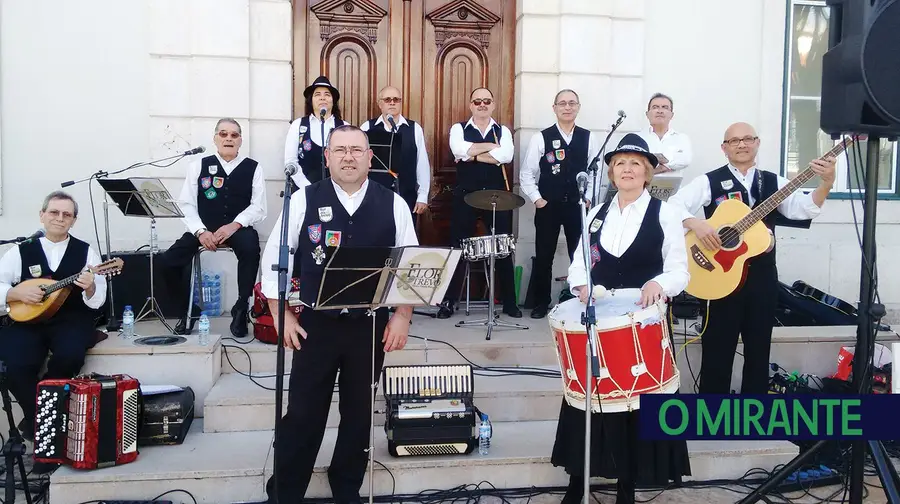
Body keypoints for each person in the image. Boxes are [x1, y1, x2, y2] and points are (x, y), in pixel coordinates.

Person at [258, 125, 417, 504]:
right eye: (340, 150)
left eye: (357, 150)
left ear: (369, 157)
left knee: (358, 415)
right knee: (303, 413)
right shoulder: (302, 199)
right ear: (326, 157)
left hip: (369, 326)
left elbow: (410, 264)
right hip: (315, 325)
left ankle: (346, 487)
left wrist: (402, 316)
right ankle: (285, 491)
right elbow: (273, 263)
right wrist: (282, 316)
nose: (349, 156)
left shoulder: (393, 202)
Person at [553, 133, 691, 504]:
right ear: (611, 173)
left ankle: (626, 486)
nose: (626, 169)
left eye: (634, 163)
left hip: (641, 320)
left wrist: (657, 282)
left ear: (647, 172)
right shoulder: (596, 214)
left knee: (635, 403)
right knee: (588, 398)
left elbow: (680, 270)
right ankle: (577, 479)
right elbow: (580, 265)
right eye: (619, 164)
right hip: (598, 317)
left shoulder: (666, 212)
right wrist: (581, 286)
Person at [666, 122, 835, 394]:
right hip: (718, 276)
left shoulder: (773, 182)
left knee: (759, 349)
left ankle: (753, 416)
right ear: (724, 148)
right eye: (734, 141)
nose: (741, 144)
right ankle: (713, 414)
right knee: (717, 349)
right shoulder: (709, 181)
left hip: (762, 276)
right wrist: (697, 225)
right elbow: (673, 205)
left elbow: (803, 208)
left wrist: (826, 183)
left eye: (747, 139)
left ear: (757, 143)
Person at [0, 191, 107, 473]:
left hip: (70, 318)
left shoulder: (86, 252)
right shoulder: (20, 251)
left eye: (67, 214)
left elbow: (98, 300)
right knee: (14, 365)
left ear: (74, 220)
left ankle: (42, 424)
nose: (60, 218)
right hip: (27, 319)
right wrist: (14, 292)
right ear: (42, 215)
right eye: (54, 213)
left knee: (70, 356)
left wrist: (91, 286)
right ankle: (44, 428)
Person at [160, 118, 266, 337]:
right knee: (167, 262)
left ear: (240, 140)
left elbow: (258, 207)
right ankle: (189, 310)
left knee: (251, 248)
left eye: (234, 135)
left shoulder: (253, 168)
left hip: (237, 228)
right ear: (215, 138)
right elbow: (186, 204)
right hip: (203, 228)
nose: (229, 138)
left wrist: (234, 225)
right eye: (224, 134)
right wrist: (200, 231)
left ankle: (240, 307)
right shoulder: (197, 166)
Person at [437, 87, 521, 319]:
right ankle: (449, 301)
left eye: (486, 101)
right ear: (471, 105)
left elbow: (506, 156)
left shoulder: (501, 130)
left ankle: (510, 303)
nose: (482, 105)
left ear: (493, 105)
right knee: (457, 248)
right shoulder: (458, 128)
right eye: (477, 101)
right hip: (465, 196)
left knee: (503, 247)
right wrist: (490, 149)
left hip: (497, 197)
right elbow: (458, 149)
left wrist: (471, 154)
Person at [520, 89, 600, 319]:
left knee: (581, 256)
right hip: (549, 206)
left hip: (577, 207)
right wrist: (538, 199)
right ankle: (541, 302)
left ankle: (580, 301)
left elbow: (595, 173)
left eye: (572, 103)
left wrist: (588, 199)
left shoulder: (588, 137)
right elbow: (527, 173)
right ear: (554, 108)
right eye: (562, 103)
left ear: (578, 107)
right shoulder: (541, 137)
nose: (567, 107)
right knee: (544, 255)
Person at [360, 85, 431, 224]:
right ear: (380, 104)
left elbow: (421, 163)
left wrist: (422, 195)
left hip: (406, 195)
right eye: (387, 99)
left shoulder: (414, 128)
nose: (392, 102)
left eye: (396, 99)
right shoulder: (367, 127)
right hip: (374, 195)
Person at [284, 75, 346, 189]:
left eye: (327, 94)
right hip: (304, 191)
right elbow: (290, 161)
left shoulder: (345, 127)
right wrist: (308, 188)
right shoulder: (298, 125)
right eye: (317, 94)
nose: (322, 98)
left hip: (337, 191)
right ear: (311, 100)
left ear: (333, 100)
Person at [637, 93, 692, 180]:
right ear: (647, 114)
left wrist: (657, 168)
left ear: (671, 115)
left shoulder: (681, 138)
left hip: (673, 192)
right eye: (655, 107)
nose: (660, 111)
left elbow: (685, 160)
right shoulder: (637, 139)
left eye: (665, 107)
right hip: (642, 191)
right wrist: (670, 163)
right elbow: (636, 165)